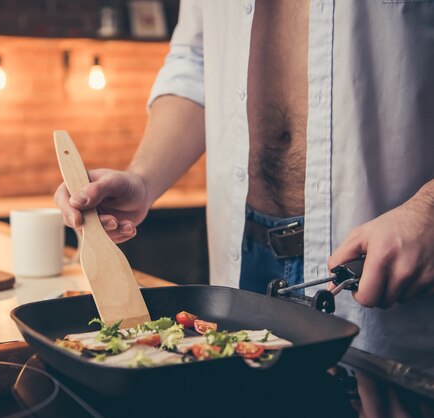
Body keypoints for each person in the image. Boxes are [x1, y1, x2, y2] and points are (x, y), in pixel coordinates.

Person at [55, 1, 434, 372]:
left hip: (375, 264)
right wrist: (143, 177)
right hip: (241, 267)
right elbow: (195, 62)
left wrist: (428, 212)